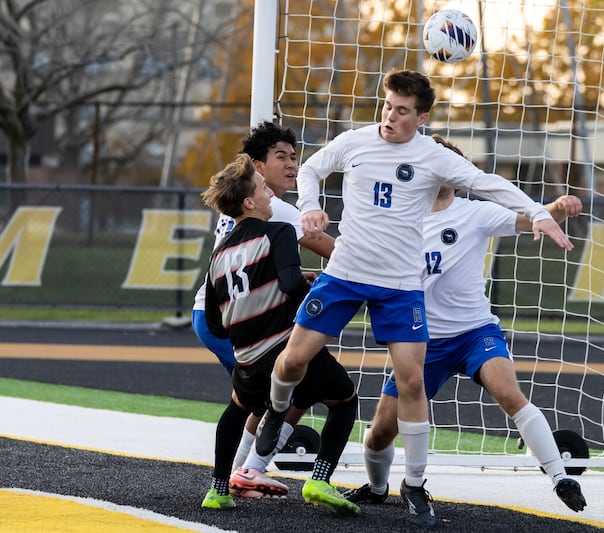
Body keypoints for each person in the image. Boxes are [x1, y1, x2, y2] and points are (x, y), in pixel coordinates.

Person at [256, 69, 575, 528]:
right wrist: (309, 204)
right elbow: (311, 168)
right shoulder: (355, 141)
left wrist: (539, 213)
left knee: (411, 384)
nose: (390, 116)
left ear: (421, 117)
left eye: (402, 111)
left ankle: (415, 483)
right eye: (387, 105)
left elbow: (488, 183)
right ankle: (274, 412)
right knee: (291, 363)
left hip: (401, 288)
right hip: (346, 273)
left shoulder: (433, 157)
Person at [342, 135, 587, 513]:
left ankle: (560, 477)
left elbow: (529, 219)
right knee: (379, 434)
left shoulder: (476, 213)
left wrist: (557, 207)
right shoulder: (399, 217)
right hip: (421, 340)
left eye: (447, 163)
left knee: (510, 394)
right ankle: (377, 488)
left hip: (475, 332)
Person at [199, 154, 359, 517]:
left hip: (247, 360)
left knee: (237, 408)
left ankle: (218, 489)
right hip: (287, 351)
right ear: (248, 202)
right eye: (263, 189)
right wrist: (316, 304)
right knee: (345, 400)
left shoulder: (219, 255)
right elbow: (288, 283)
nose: (271, 195)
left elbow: (215, 323)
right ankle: (319, 479)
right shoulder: (278, 231)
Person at [190, 122, 334, 483]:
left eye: (294, 157)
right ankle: (246, 472)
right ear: (257, 165)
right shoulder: (277, 211)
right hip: (235, 315)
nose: (292, 165)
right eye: (281, 156)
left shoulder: (244, 205)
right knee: (281, 389)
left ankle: (241, 473)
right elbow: (333, 251)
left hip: (222, 310)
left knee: (267, 395)